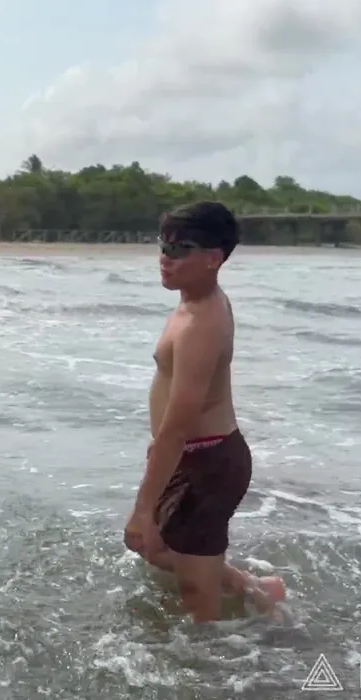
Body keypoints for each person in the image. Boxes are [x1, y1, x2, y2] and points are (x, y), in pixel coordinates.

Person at [123, 201, 285, 623]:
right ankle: (255, 590)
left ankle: (235, 654)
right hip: (192, 457)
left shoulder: (201, 324)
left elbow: (180, 425)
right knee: (155, 547)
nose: (165, 258)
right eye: (163, 245)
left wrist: (142, 508)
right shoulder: (193, 303)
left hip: (208, 464)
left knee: (197, 601)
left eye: (179, 250)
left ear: (213, 258)